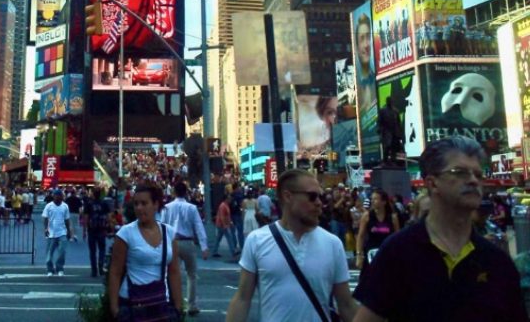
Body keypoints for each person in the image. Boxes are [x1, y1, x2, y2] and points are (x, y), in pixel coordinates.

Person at [352, 136, 528, 321]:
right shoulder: (397, 253)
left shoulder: (497, 262)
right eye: (459, 172)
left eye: (478, 174)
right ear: (432, 182)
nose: (473, 181)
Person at [226, 169, 357, 322]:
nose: (319, 203)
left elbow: (346, 305)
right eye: (312, 196)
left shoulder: (333, 244)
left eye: (319, 196)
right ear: (288, 197)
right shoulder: (257, 241)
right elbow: (242, 299)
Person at [106, 182, 184, 321]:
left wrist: (178, 307)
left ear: (156, 204)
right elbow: (115, 272)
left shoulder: (168, 233)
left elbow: (174, 271)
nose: (139, 208)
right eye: (136, 204)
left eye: (144, 203)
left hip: (160, 302)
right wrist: (115, 310)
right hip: (132, 303)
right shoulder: (126, 233)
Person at [160, 180, 208, 317]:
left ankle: (173, 302)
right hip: (188, 242)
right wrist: (204, 246)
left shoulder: (167, 208)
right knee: (191, 275)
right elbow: (198, 226)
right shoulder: (192, 208)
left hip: (171, 241)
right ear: (186, 193)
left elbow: (162, 226)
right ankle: (191, 305)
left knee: (171, 274)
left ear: (174, 192)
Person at [357, 188, 401, 271]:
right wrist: (359, 256)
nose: (372, 201)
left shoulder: (392, 218)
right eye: (372, 199)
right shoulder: (367, 216)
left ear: (384, 202)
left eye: (376, 199)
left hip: (388, 253)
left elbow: (397, 238)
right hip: (371, 252)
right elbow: (361, 236)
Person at [82, 187, 112, 278]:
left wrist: (84, 230)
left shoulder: (89, 204)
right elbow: (108, 216)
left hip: (92, 229)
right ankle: (101, 265)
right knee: (102, 249)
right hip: (101, 229)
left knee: (92, 251)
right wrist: (109, 227)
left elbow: (86, 217)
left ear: (93, 194)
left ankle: (94, 270)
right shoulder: (104, 203)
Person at [42, 188, 71, 277]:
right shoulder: (49, 206)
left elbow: (67, 219)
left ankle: (59, 268)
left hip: (62, 232)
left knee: (62, 252)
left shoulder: (65, 206)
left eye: (60, 196)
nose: (58, 197)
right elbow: (46, 218)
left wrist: (68, 230)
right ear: (54, 196)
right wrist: (46, 229)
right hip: (51, 233)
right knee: (49, 253)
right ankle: (50, 269)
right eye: (57, 196)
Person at [212, 194, 237, 258]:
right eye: (229, 198)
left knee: (218, 238)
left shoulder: (225, 205)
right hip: (222, 225)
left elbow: (227, 216)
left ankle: (214, 251)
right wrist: (225, 225)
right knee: (229, 237)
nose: (230, 200)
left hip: (221, 224)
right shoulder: (223, 206)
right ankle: (233, 251)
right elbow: (222, 216)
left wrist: (230, 222)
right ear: (226, 199)